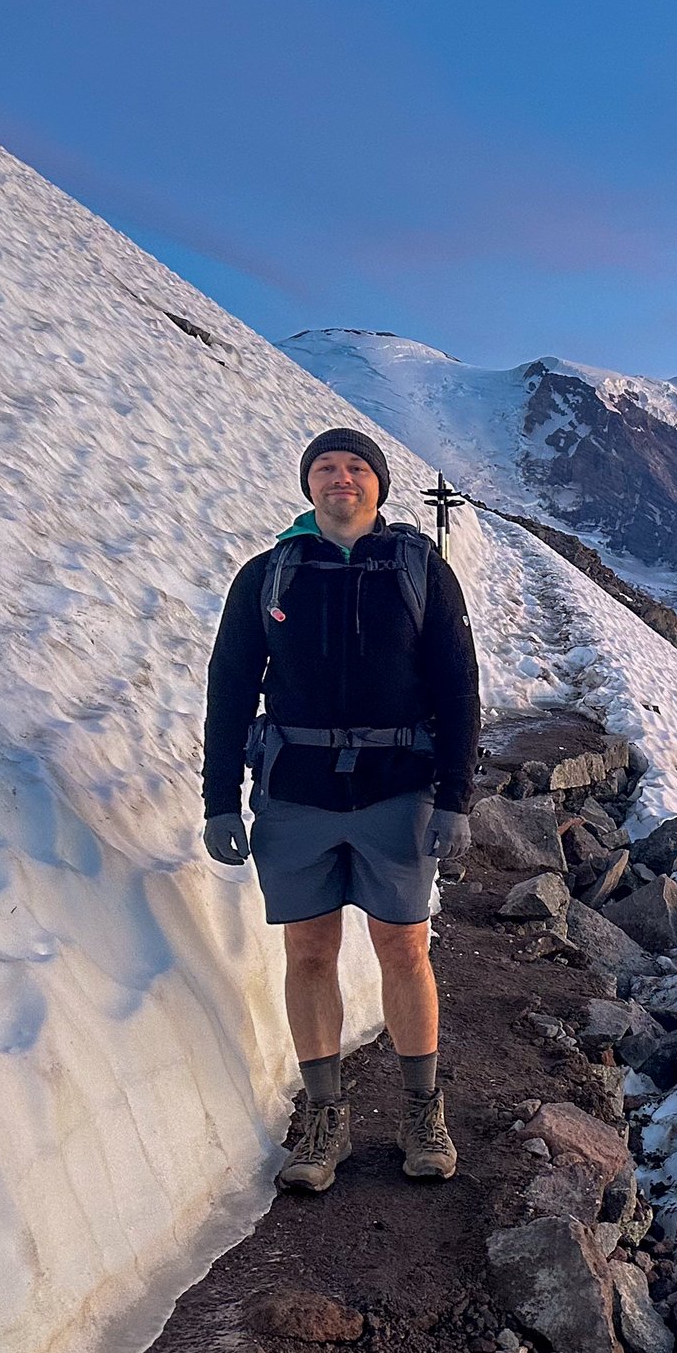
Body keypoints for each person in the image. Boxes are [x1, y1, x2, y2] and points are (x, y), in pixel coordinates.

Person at [200, 426, 480, 1192]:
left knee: (404, 946)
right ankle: (326, 1118)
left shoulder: (420, 569)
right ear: (308, 484)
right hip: (297, 791)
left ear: (380, 484)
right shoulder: (268, 575)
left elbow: (458, 688)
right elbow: (229, 688)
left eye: (357, 467)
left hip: (398, 789)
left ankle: (423, 1110)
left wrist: (455, 797)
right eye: (327, 467)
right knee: (310, 951)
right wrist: (219, 798)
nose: (342, 478)